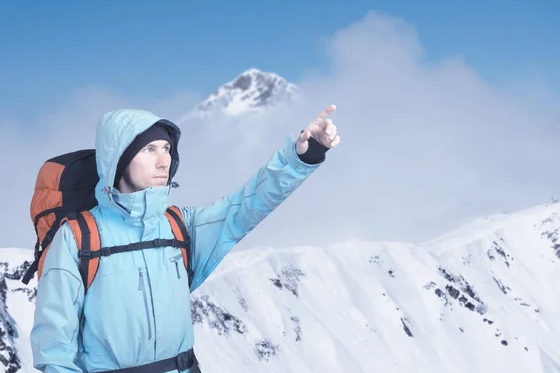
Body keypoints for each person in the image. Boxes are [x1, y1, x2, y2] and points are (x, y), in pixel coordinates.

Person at [30, 105, 340, 373]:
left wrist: (302, 157)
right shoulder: (78, 237)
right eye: (149, 149)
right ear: (118, 159)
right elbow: (55, 347)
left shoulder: (179, 226)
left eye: (166, 149)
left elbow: (246, 205)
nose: (163, 160)